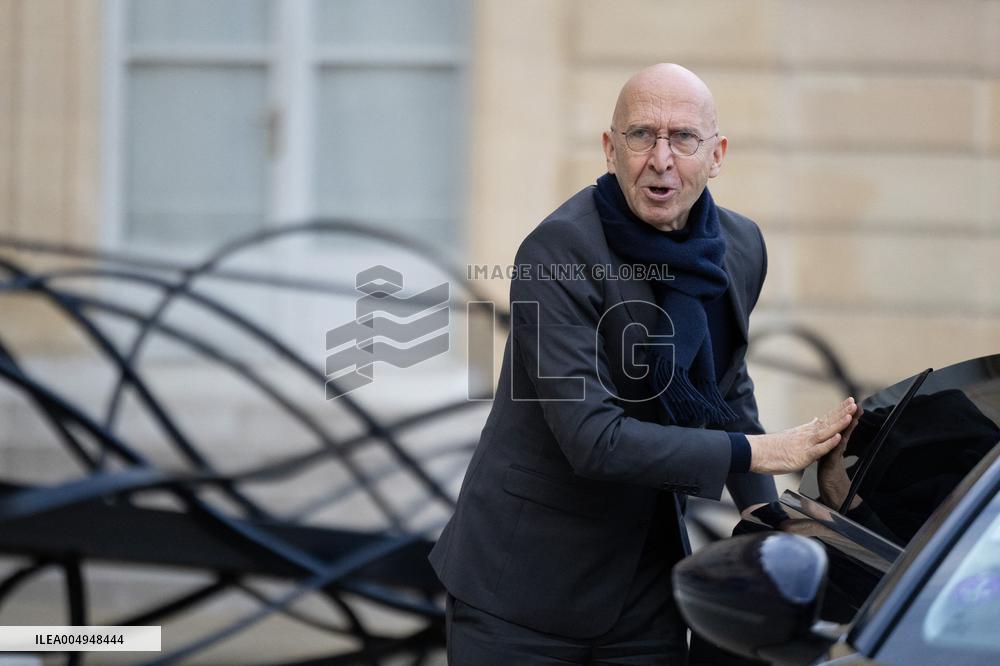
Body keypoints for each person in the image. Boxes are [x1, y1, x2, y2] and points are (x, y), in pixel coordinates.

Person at [429, 63, 858, 664]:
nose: (661, 158)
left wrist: (764, 513)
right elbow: (591, 439)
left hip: (647, 585)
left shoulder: (740, 246)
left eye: (683, 138)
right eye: (640, 136)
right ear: (610, 148)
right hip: (521, 591)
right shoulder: (556, 251)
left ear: (717, 155)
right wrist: (762, 451)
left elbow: (725, 386)